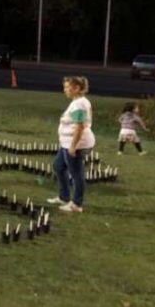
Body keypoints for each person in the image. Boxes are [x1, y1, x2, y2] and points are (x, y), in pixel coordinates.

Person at [48, 76, 95, 213]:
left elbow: (79, 126)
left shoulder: (79, 104)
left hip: (76, 145)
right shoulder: (78, 102)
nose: (65, 90)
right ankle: (64, 197)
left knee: (76, 175)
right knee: (58, 166)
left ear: (77, 88)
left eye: (68, 87)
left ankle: (76, 204)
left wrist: (73, 146)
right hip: (67, 143)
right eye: (65, 87)